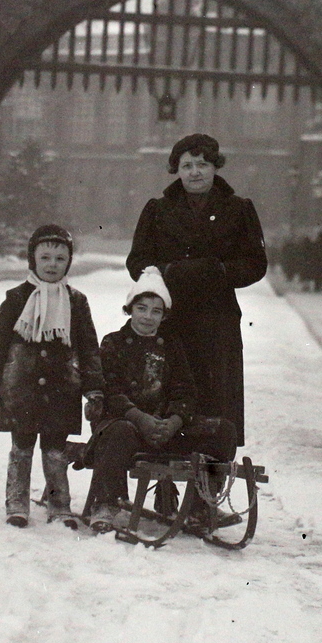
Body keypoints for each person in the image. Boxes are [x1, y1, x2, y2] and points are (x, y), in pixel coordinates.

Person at [126, 133, 268, 447]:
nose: (195, 172)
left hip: (216, 322)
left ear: (215, 167)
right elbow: (137, 260)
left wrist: (218, 271)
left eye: (202, 164)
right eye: (187, 165)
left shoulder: (239, 209)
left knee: (214, 400)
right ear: (176, 170)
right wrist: (167, 273)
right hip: (169, 320)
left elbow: (256, 263)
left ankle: (208, 482)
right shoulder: (157, 210)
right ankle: (165, 476)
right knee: (167, 394)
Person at [78, 269, 239, 532]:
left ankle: (200, 505)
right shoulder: (113, 343)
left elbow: (185, 390)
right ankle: (107, 502)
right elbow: (110, 391)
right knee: (118, 430)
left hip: (166, 430)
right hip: (127, 427)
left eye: (155, 311)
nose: (147, 317)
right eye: (141, 308)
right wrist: (140, 418)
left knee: (223, 431)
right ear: (129, 309)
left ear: (164, 316)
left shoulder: (170, 345)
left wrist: (175, 420)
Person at [0, 225, 103, 527]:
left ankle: (59, 506)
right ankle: (16, 503)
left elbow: (88, 348)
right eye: (45, 257)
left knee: (55, 449)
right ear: (32, 259)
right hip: (21, 386)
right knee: (21, 446)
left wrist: (94, 389)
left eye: (60, 259)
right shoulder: (16, 298)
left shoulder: (76, 301)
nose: (52, 265)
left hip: (63, 389)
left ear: (69, 262)